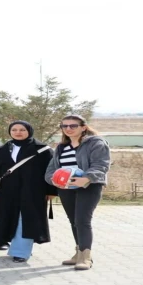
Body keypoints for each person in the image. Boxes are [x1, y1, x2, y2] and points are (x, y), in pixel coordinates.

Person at [45, 115, 110, 271]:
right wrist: (53, 180)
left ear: (83, 127)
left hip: (89, 186)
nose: (68, 129)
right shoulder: (61, 147)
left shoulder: (96, 143)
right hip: (66, 188)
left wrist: (87, 178)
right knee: (73, 220)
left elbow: (101, 165)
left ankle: (86, 257)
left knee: (82, 220)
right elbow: (51, 169)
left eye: (73, 126)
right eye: (64, 126)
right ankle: (78, 254)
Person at [0, 121, 58, 263]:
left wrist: (52, 191)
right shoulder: (4, 149)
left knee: (26, 219)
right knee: (11, 218)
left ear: (29, 131)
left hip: (33, 191)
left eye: (22, 129)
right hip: (8, 192)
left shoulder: (42, 150)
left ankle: (21, 252)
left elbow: (51, 171)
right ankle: (21, 247)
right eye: (14, 129)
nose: (18, 132)